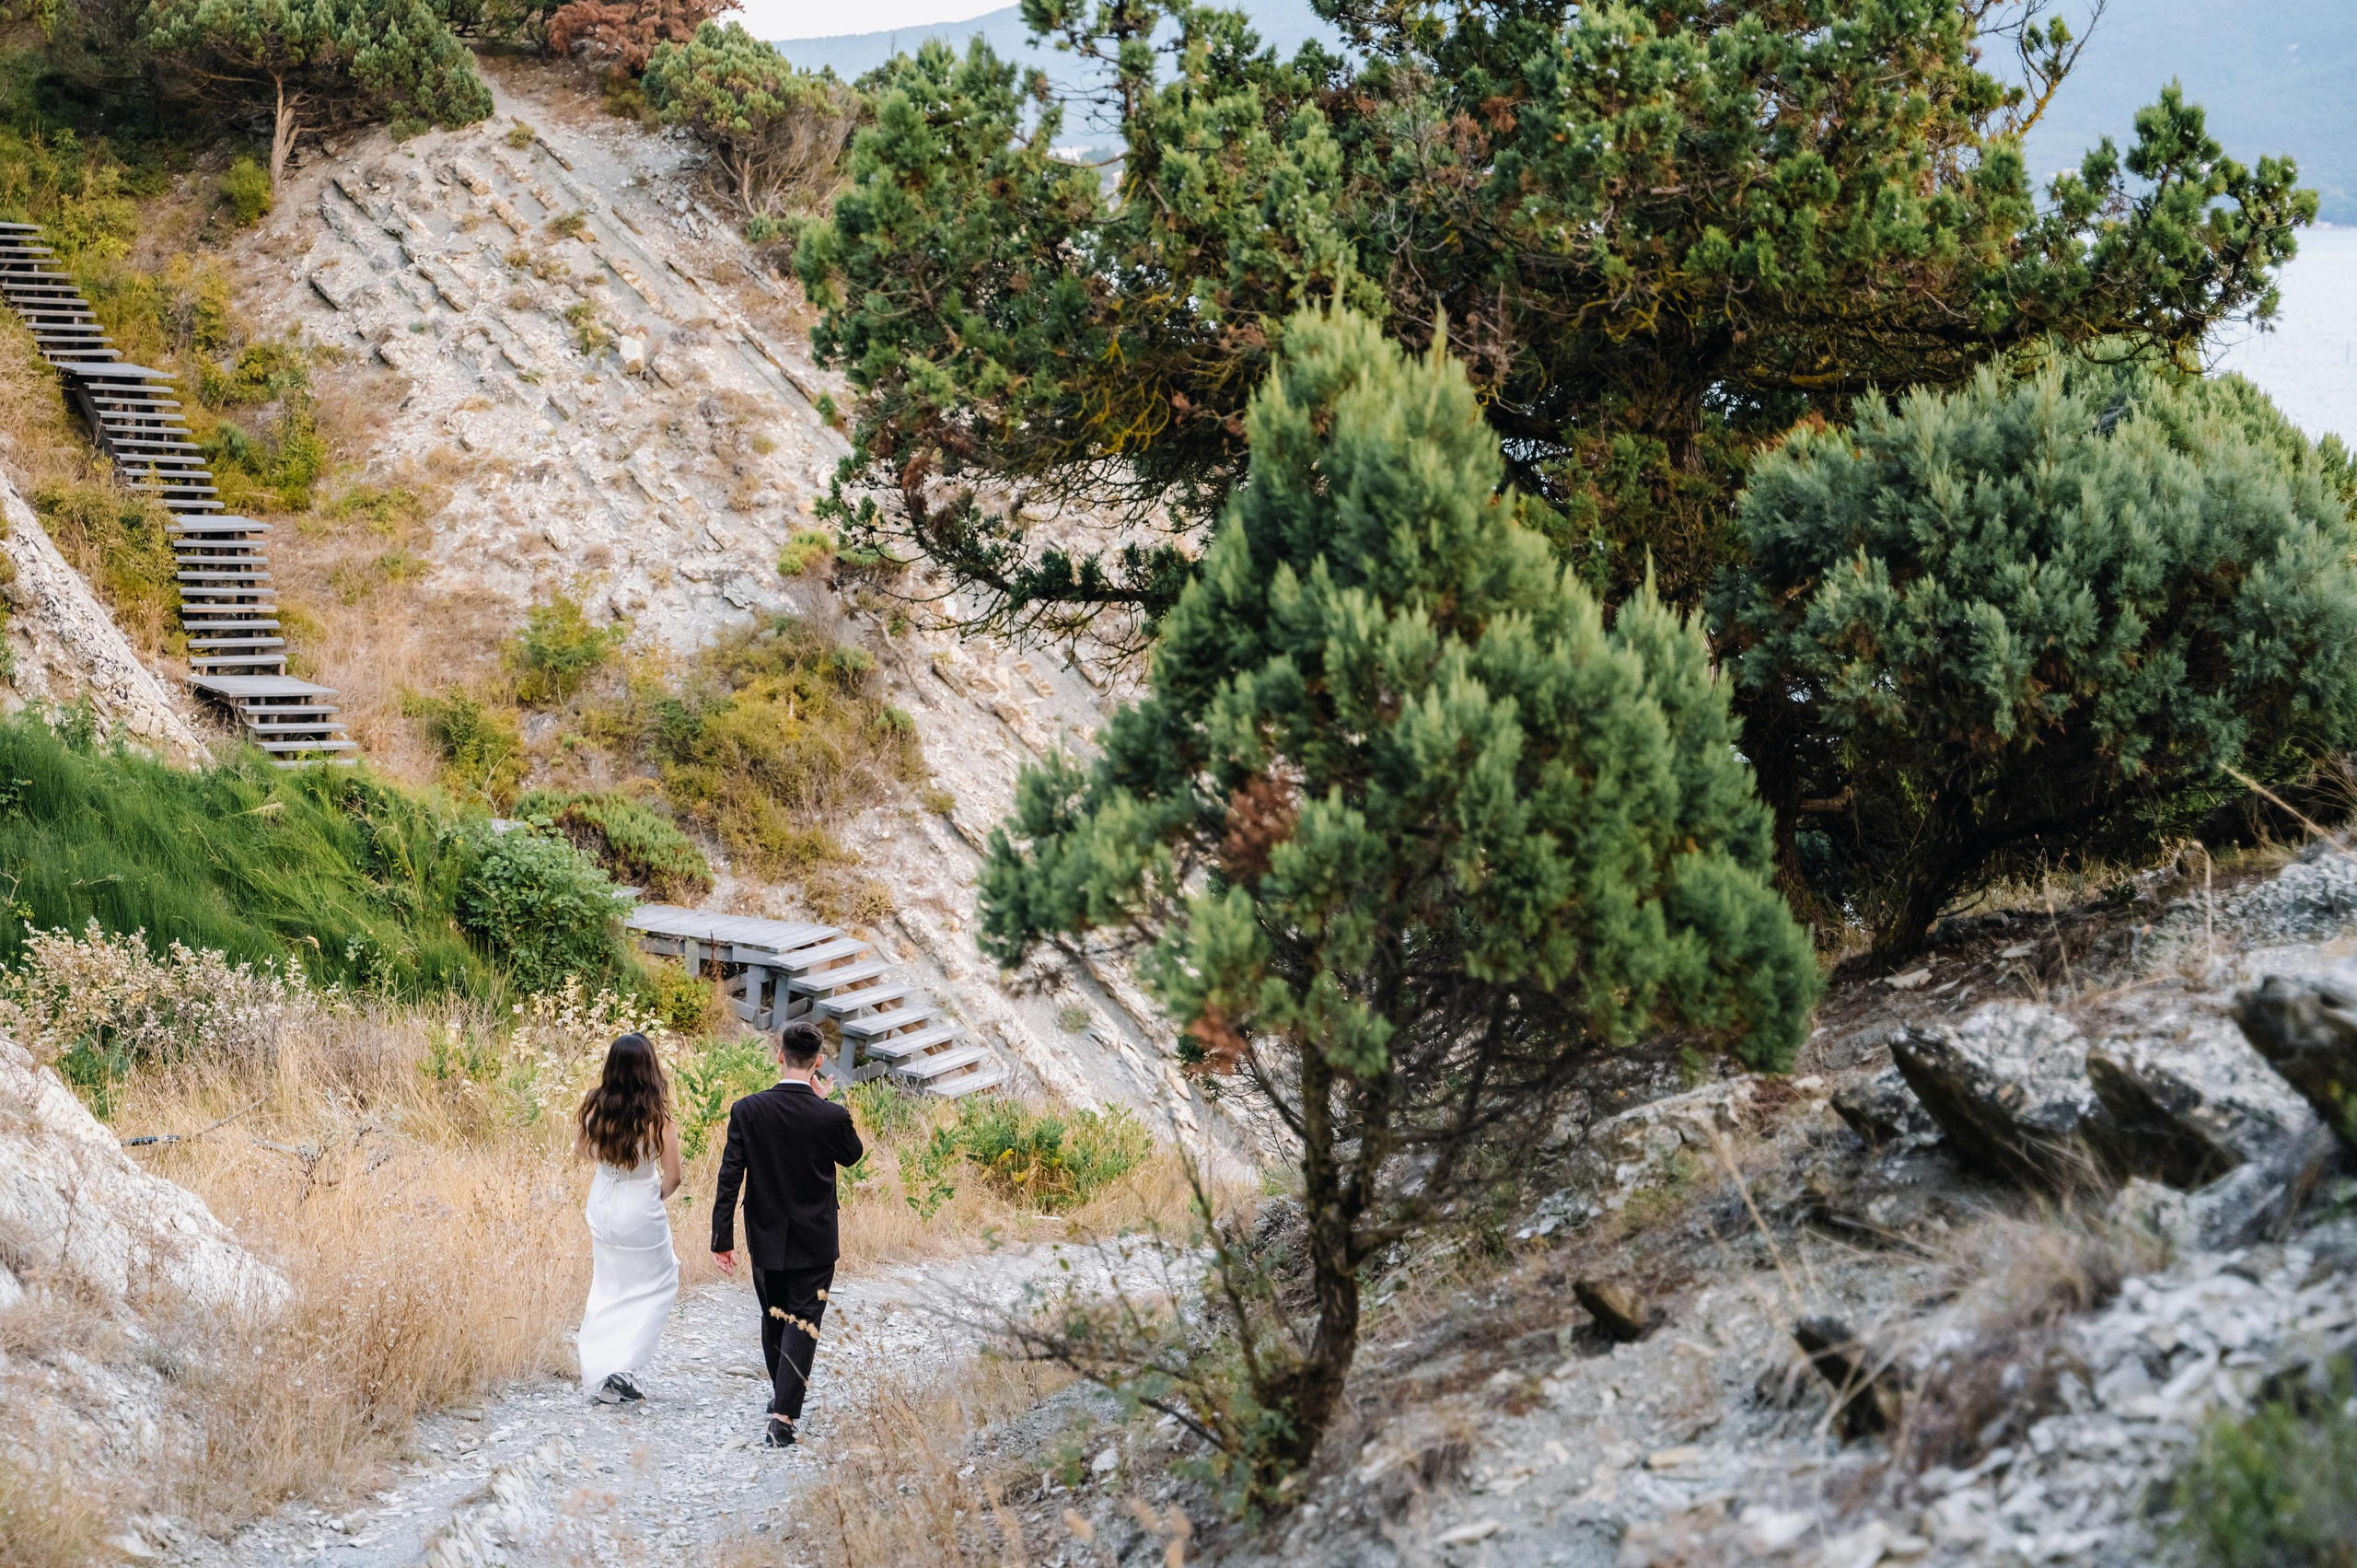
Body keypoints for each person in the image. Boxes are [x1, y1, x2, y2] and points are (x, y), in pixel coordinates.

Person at [711, 1019, 865, 1447]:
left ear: (779, 1055)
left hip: (764, 1233)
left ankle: (783, 1397)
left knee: (774, 1314)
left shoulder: (747, 1109)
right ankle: (783, 1414)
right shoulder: (830, 1114)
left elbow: (729, 1178)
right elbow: (852, 1156)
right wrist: (827, 1104)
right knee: (803, 1320)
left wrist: (721, 1238)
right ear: (818, 1061)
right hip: (816, 1238)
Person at [573, 1031, 683, 1406]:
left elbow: (581, 1149)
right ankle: (624, 1366)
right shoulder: (658, 1119)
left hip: (602, 1199)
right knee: (660, 1281)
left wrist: (610, 1169)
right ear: (649, 1069)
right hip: (640, 1204)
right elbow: (674, 1177)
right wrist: (652, 1194)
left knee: (608, 1282)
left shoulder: (594, 1106)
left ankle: (601, 1368)